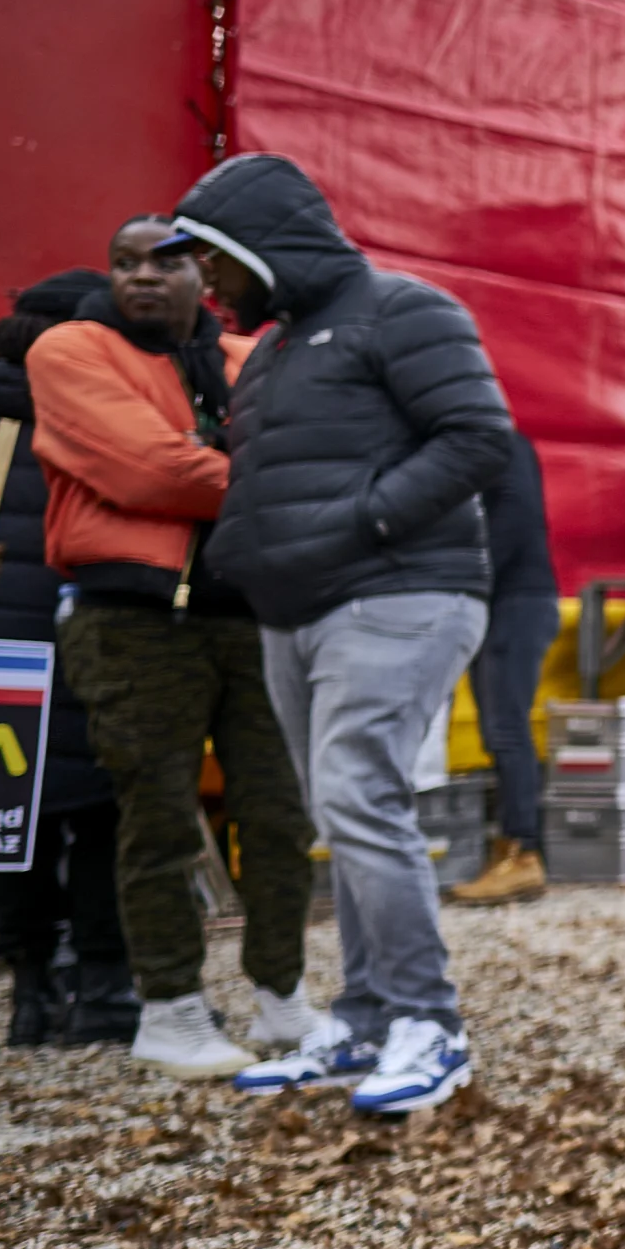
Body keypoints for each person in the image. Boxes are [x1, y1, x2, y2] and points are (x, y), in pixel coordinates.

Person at [166, 155, 513, 1116]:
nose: (207, 284)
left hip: (404, 591)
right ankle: (365, 1020)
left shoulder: (405, 309)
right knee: (344, 809)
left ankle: (428, 1023)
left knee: (360, 793)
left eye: (213, 261)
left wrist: (363, 521)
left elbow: (480, 437)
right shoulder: (276, 348)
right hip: (300, 609)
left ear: (259, 249)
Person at [23, 226, 316, 1071]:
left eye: (168, 260)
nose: (143, 276)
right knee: (154, 818)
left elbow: (257, 460)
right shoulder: (71, 347)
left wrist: (222, 466)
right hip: (131, 618)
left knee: (278, 816)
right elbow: (148, 471)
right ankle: (170, 1007)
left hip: (250, 613)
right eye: (126, 261)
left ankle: (281, 997)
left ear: (206, 273)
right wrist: (264, 480)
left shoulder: (245, 353)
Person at [0, 271, 135, 1051]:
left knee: (10, 819)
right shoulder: (92, 413)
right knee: (105, 814)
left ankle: (30, 992)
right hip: (89, 636)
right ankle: (104, 983)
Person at [447, 428, 556, 906]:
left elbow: (514, 519)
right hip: (506, 601)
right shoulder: (500, 444)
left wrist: (467, 578)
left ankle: (524, 852)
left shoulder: (500, 444)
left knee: (508, 729)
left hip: (515, 602)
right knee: (499, 732)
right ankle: (513, 847)